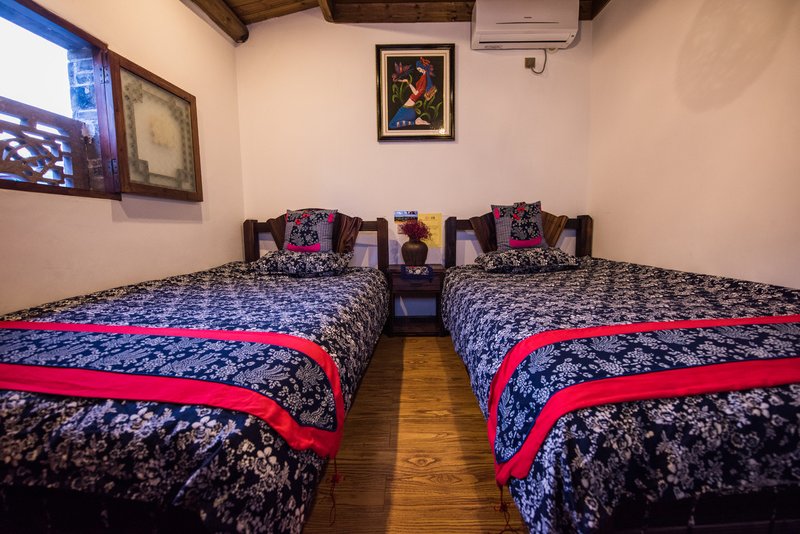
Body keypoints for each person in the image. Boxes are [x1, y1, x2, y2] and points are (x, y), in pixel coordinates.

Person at [389, 58, 437, 129]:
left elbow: (416, 93)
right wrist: (403, 81)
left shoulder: (424, 79)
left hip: (411, 103)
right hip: (410, 104)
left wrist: (408, 82)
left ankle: (416, 122)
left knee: (391, 124)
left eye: (419, 69)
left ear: (423, 68)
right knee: (392, 124)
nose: (419, 71)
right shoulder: (423, 77)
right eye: (418, 70)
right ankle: (417, 122)